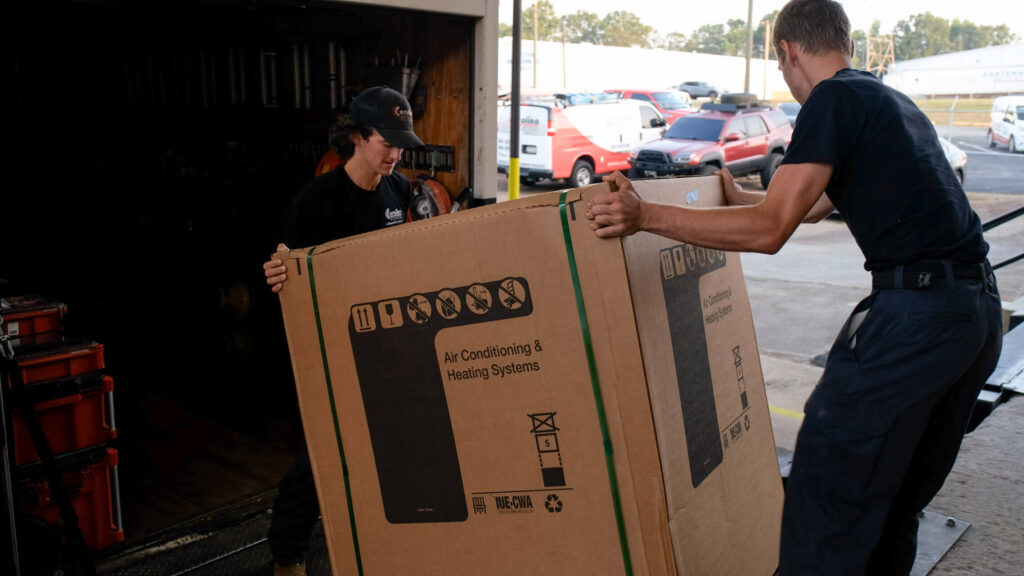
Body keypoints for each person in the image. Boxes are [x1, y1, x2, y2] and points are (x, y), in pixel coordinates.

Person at [586, 1, 1002, 574]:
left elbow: (771, 231)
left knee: (828, 490)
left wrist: (643, 217)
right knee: (892, 501)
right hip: (975, 315)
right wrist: (746, 198)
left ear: (787, 52)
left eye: (781, 65)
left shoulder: (831, 99)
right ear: (845, 43)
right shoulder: (886, 101)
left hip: (919, 318)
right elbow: (809, 206)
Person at [262, 85, 423, 576]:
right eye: (386, 142)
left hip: (387, 345)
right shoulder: (318, 201)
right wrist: (277, 273)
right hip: (331, 349)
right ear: (357, 136)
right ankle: (287, 557)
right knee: (321, 458)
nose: (395, 153)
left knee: (389, 448)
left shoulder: (398, 192)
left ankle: (378, 542)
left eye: (400, 144)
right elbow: (284, 274)